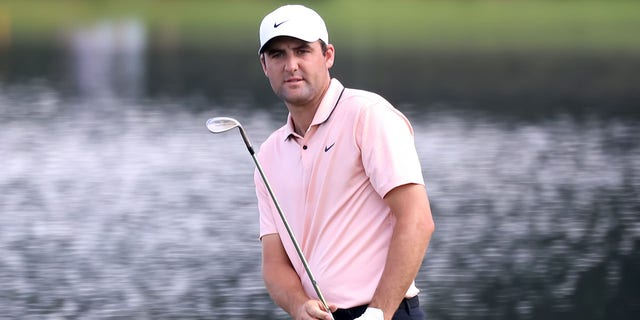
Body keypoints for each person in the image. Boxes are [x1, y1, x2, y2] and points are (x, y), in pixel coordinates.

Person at [254, 4, 434, 320]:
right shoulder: (268, 154)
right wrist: (298, 303)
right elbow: (274, 263)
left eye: (302, 51)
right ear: (264, 66)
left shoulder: (367, 115)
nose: (291, 64)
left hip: (386, 312)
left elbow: (417, 220)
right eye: (278, 55)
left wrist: (378, 312)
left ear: (328, 56)